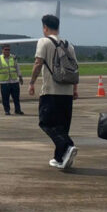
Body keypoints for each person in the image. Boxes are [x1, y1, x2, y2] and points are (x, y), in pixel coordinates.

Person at [29, 14, 78, 170]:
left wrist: (31, 82)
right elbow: (75, 69)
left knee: (46, 123)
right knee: (63, 126)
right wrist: (75, 89)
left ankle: (68, 145)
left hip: (51, 91)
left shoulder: (44, 42)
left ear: (45, 27)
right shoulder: (69, 45)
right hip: (67, 92)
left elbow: (38, 63)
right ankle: (60, 158)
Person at [0, 44, 23, 115]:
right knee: (5, 98)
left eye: (8, 49)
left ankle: (17, 110)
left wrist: (20, 77)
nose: (7, 51)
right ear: (2, 50)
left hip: (14, 81)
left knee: (16, 98)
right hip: (4, 82)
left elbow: (17, 67)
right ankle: (7, 110)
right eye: (6, 49)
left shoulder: (13, 57)